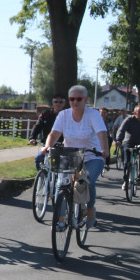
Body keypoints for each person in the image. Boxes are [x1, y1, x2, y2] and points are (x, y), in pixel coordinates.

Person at [40, 85, 108, 228]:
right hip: (70, 154)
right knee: (61, 184)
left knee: (88, 180)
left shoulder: (93, 115)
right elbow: (54, 134)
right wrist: (47, 146)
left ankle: (89, 209)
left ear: (85, 100)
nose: (75, 102)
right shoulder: (63, 115)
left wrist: (104, 150)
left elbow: (102, 133)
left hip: (92, 155)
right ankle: (61, 219)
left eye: (79, 99)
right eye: (72, 99)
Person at [116, 105, 140, 187]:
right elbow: (121, 130)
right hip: (129, 142)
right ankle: (125, 180)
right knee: (127, 161)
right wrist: (119, 140)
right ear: (135, 112)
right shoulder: (129, 119)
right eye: (139, 112)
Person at [29, 95, 67, 170]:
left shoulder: (67, 115)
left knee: (60, 165)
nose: (58, 104)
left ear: (64, 104)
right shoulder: (46, 114)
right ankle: (42, 178)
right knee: (39, 159)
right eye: (56, 102)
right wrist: (33, 138)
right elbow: (37, 126)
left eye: (60, 102)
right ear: (53, 103)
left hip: (61, 146)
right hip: (47, 146)